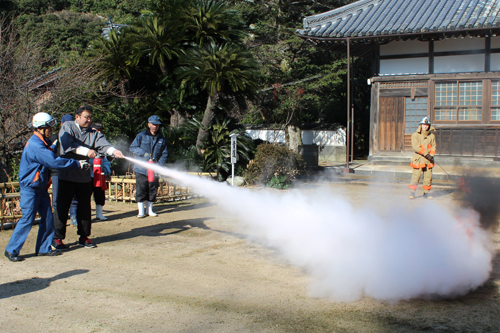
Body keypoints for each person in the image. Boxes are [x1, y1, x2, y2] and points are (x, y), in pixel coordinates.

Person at [4, 112, 89, 262]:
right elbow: (54, 162)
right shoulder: (37, 145)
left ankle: (44, 248)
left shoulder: (42, 141)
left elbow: (51, 150)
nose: (51, 130)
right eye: (49, 127)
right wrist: (78, 164)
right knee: (27, 219)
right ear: (41, 128)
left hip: (40, 187)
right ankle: (11, 250)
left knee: (48, 218)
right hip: (31, 188)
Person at [54, 105, 124, 250]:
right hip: (67, 175)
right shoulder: (67, 127)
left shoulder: (93, 132)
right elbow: (68, 145)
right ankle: (57, 238)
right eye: (86, 117)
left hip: (84, 177)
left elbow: (103, 144)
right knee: (62, 207)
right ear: (77, 117)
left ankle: (84, 236)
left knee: (85, 208)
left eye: (91, 117)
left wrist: (114, 151)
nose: (89, 120)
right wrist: (87, 152)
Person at [129, 115, 168, 218]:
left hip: (154, 169)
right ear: (149, 124)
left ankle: (150, 210)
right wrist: (143, 154)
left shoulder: (162, 139)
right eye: (153, 124)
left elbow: (164, 154)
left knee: (152, 189)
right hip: (141, 169)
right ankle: (141, 211)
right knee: (141, 189)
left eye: (157, 125)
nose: (155, 126)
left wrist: (158, 166)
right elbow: (133, 147)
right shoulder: (141, 136)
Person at [409, 117, 436, 200]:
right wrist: (425, 154)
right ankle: (412, 193)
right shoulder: (415, 135)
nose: (425, 126)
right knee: (416, 176)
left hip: (428, 160)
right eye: (424, 125)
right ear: (421, 125)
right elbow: (415, 147)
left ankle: (426, 193)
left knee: (428, 177)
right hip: (419, 158)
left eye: (427, 125)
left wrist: (431, 155)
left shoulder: (432, 136)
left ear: (429, 126)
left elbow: (433, 146)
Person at [90, 122, 112, 221]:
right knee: (85, 196)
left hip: (100, 175)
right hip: (88, 174)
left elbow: (106, 160)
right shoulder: (87, 142)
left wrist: (107, 171)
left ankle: (99, 214)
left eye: (100, 130)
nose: (98, 132)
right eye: (96, 130)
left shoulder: (103, 144)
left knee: (100, 195)